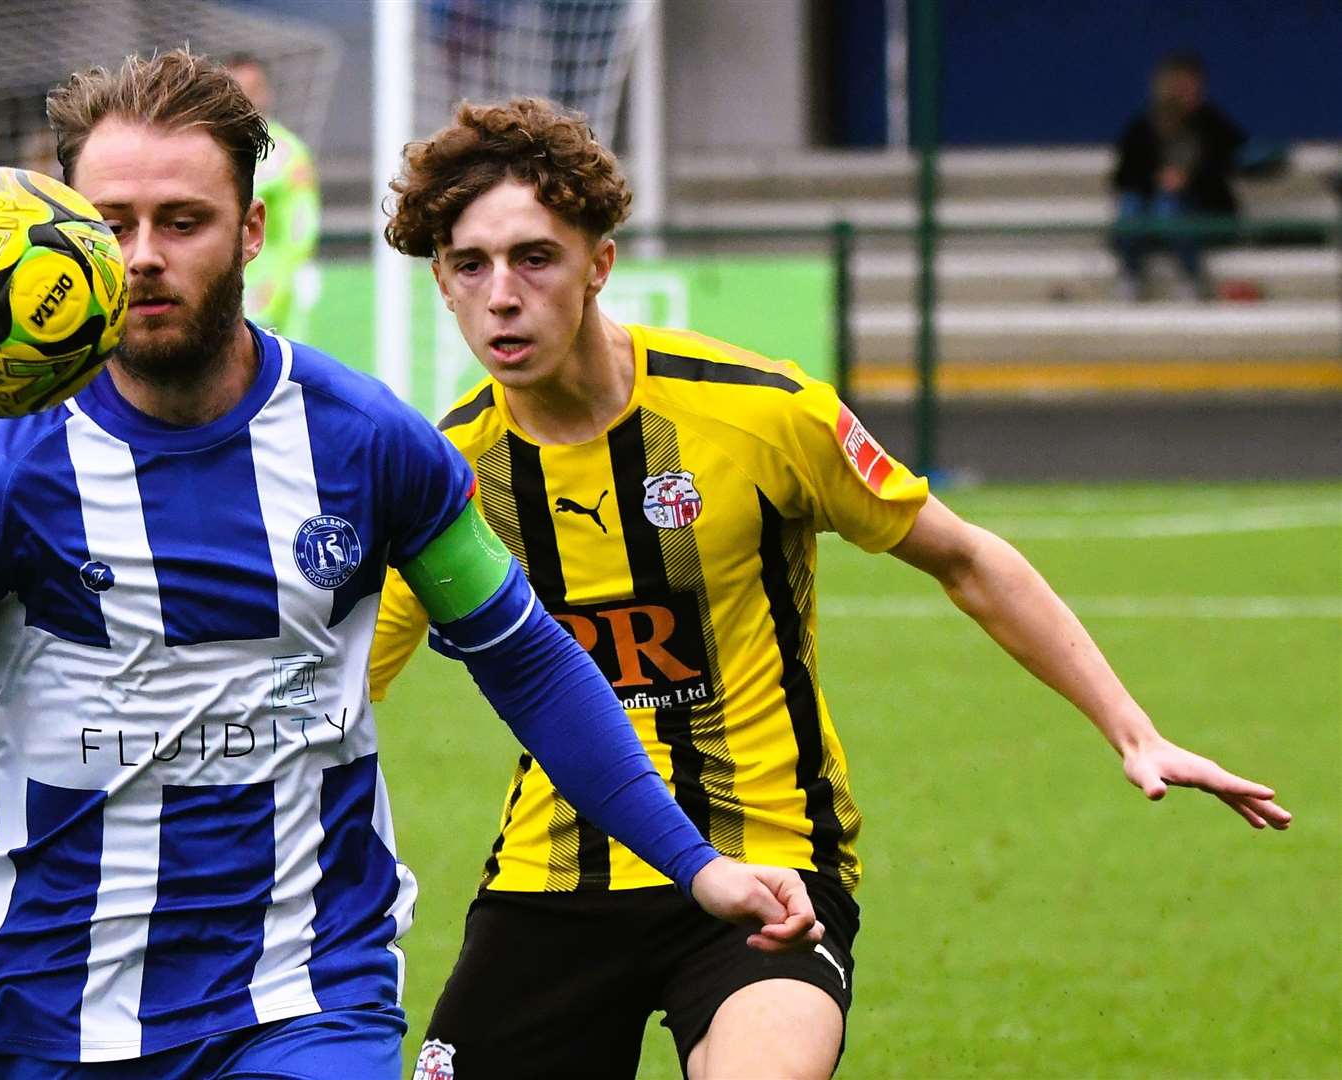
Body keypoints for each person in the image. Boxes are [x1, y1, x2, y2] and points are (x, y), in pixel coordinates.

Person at [0, 53, 821, 1077]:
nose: (140, 257)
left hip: (311, 988)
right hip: (59, 996)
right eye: (111, 225)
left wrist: (695, 864)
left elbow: (527, 662)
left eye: (179, 222)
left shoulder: (370, 443)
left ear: (247, 230)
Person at [369, 98, 1293, 1080]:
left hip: (775, 864)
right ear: (442, 279)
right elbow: (340, 685)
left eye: (535, 257)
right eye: (471, 266)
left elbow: (966, 560)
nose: (502, 294)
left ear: (599, 262)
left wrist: (1131, 728)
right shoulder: (442, 475)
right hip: (552, 878)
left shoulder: (759, 415)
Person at [1111, 52, 1247, 302]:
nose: (1187, 93)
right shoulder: (1142, 127)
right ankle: (1130, 277)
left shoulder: (1212, 124)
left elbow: (1233, 161)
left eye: (1193, 86)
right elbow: (1122, 176)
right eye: (1179, 86)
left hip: (1201, 209)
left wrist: (1188, 179)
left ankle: (1191, 278)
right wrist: (1157, 179)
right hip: (1148, 211)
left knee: (1168, 207)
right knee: (1131, 206)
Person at [226, 54, 320, 339]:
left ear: (266, 92)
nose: (246, 98)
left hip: (271, 289)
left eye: (253, 89)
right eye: (236, 89)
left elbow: (302, 224)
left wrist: (279, 282)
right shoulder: (206, 152)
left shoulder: (288, 154)